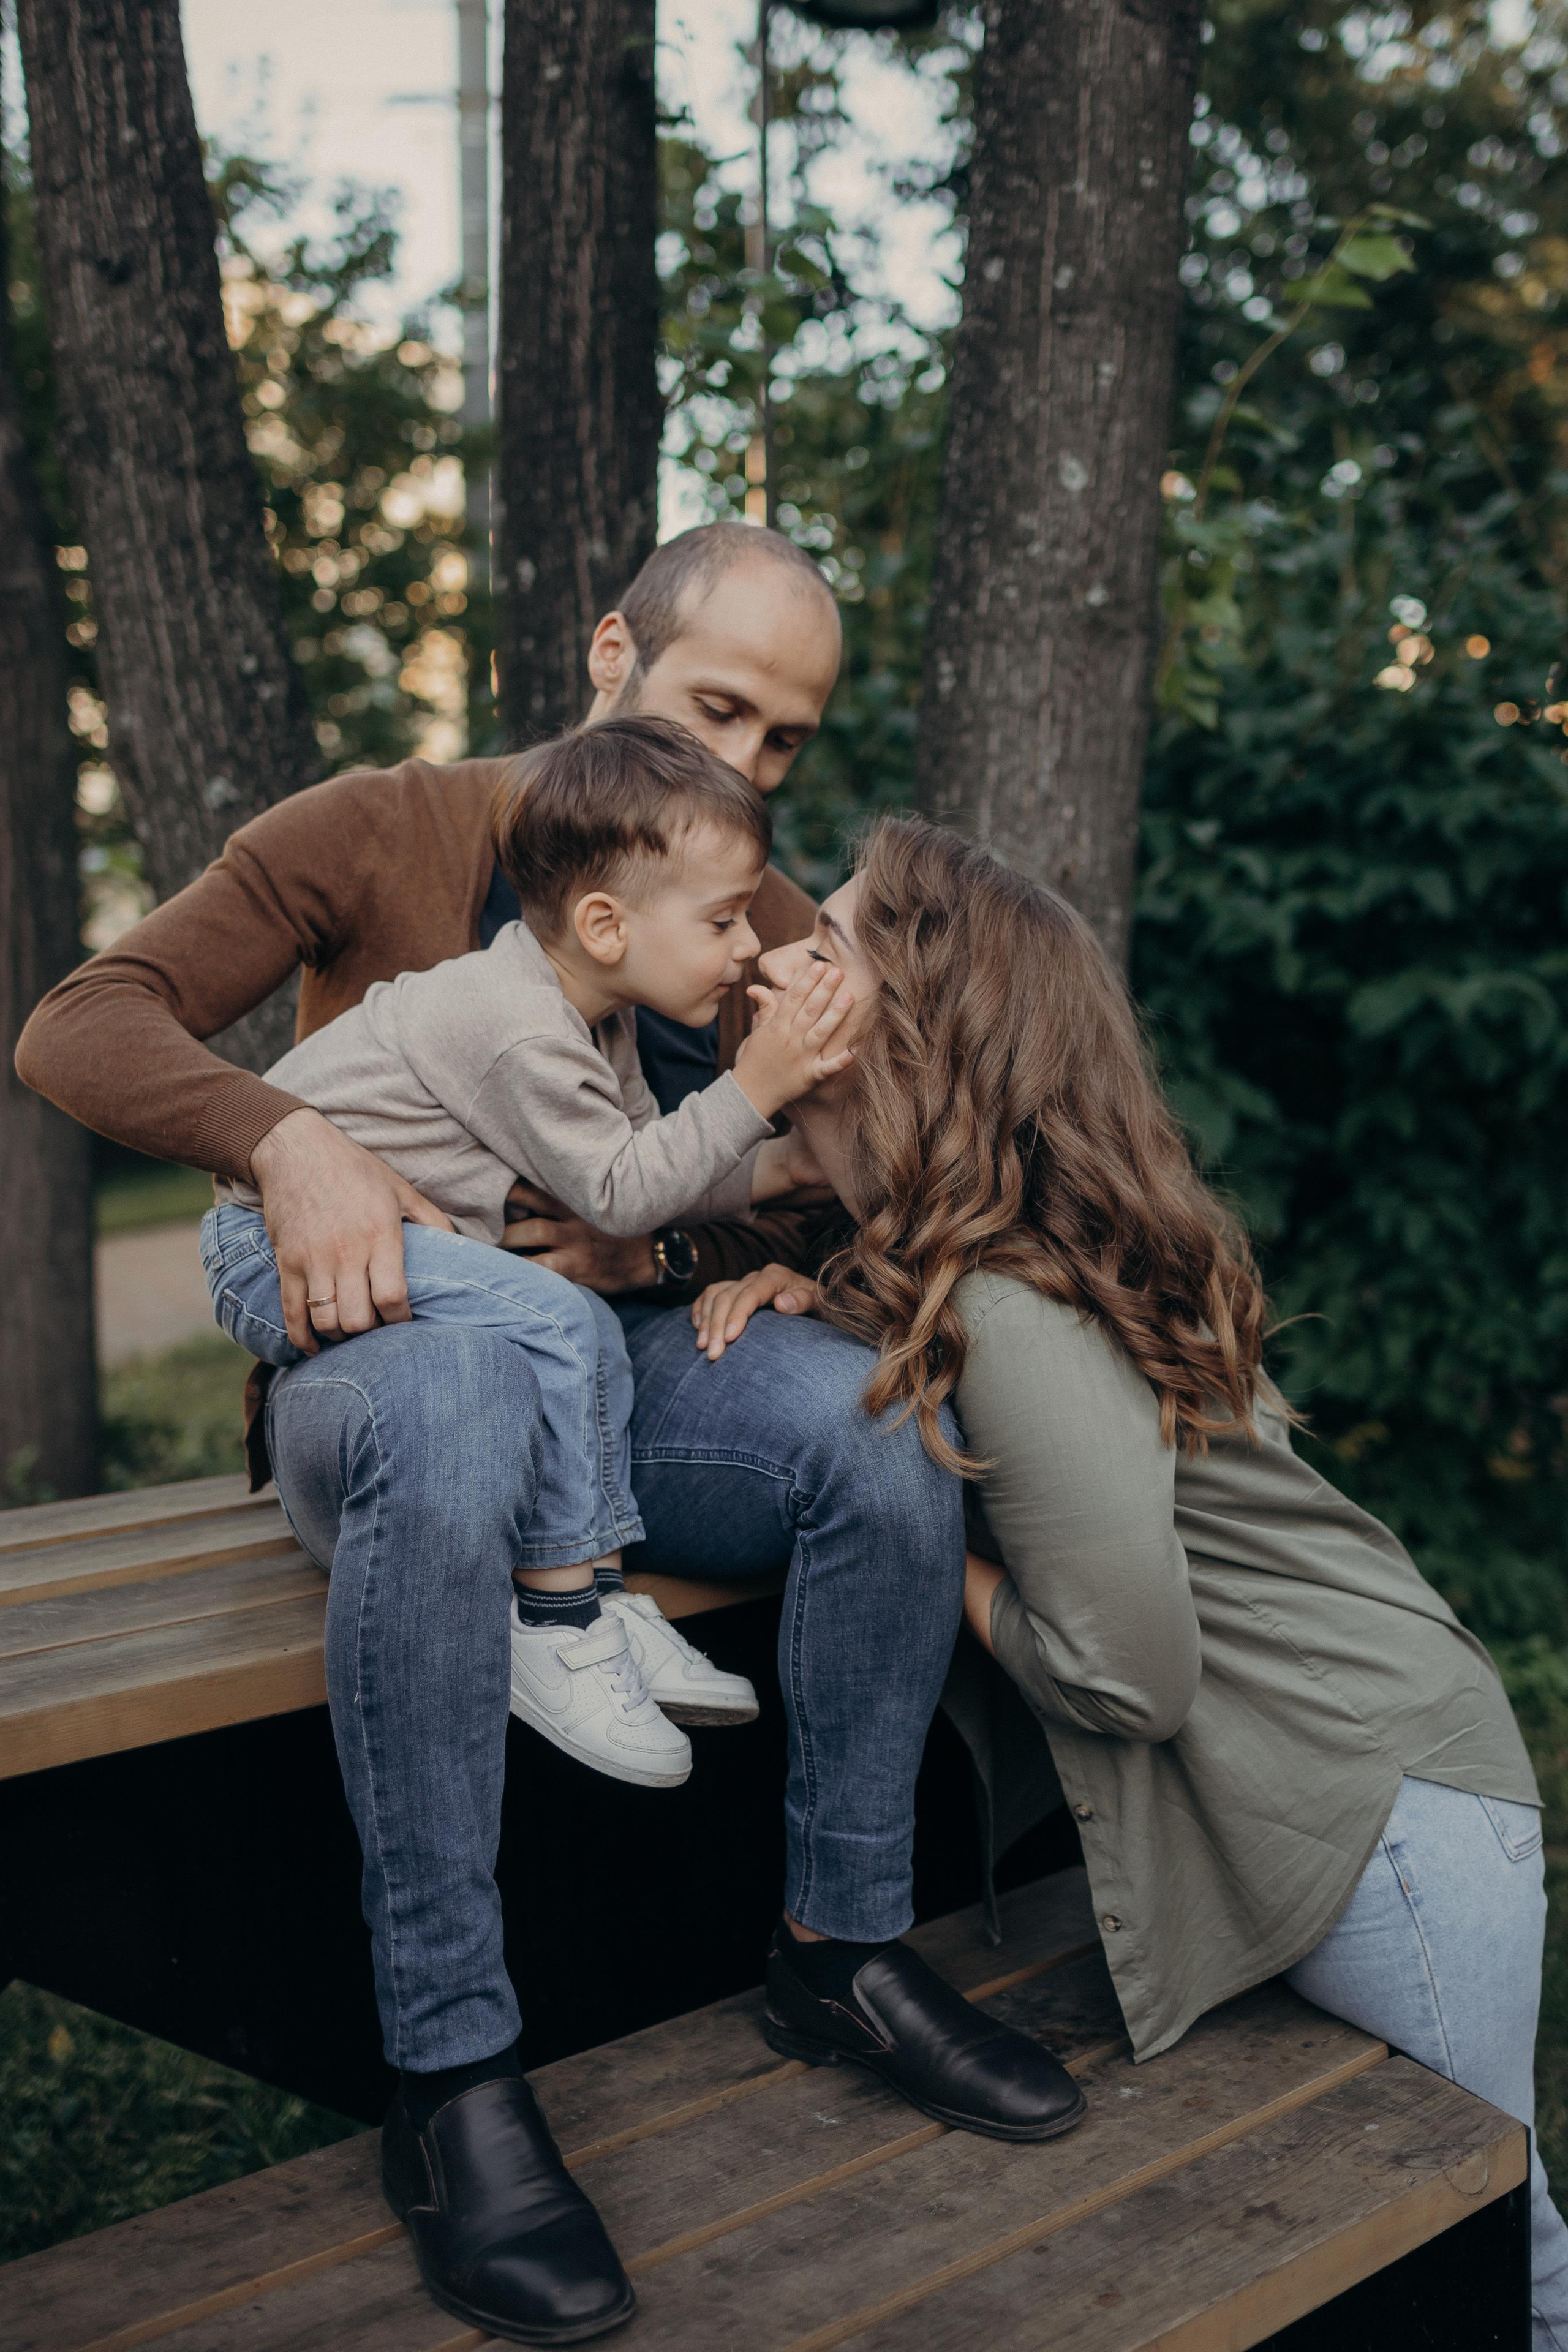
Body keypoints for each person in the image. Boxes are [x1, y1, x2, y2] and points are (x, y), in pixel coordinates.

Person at [15, 524, 1079, 2350]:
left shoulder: (760, 914)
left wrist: (691, 1248)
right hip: (394, 1357)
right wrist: (290, 1144)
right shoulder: (381, 827)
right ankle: (454, 2078)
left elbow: (882, 1179)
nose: (745, 774)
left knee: (869, 1427)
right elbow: (79, 1027)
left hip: (629, 1372)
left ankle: (843, 1950)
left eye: (786, 747)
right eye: (718, 708)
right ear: (610, 652)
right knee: (447, 1394)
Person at [694, 812, 1568, 2351]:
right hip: (1368, 1775)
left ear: (911, 1032)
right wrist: (809, 1289)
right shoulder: (956, 1254)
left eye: (821, 948)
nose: (774, 957)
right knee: (1486, 2234)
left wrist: (929, 1549)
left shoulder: (1007, 1303)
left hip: (1383, 1818)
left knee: (1470, 2241)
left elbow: (1121, 1671)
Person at [201, 715, 856, 1791]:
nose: (749, 947)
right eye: (726, 919)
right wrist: (761, 1089)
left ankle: (597, 1601)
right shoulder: (519, 1027)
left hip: (384, 1248)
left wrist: (780, 1169)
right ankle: (556, 1627)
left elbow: (648, 1161)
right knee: (564, 1318)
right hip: (272, 1252)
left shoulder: (598, 1017)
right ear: (606, 924)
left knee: (580, 1324)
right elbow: (620, 1195)